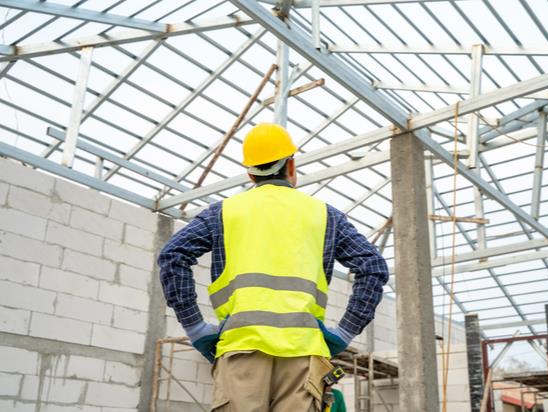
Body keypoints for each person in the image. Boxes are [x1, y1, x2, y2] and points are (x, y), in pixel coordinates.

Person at [158, 123, 388, 412]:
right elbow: (373, 267)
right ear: (292, 165)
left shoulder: (223, 212)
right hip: (303, 357)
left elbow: (173, 255)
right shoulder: (325, 216)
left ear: (251, 173)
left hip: (240, 351)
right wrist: (344, 332)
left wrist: (196, 328)